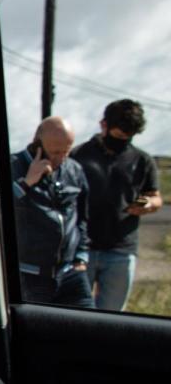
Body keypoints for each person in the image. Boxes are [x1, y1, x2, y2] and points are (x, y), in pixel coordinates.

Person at [71, 99, 164, 311]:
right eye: (119, 135)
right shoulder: (79, 155)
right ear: (103, 125)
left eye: (128, 136)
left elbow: (154, 196)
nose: (123, 140)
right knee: (76, 313)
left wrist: (146, 204)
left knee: (112, 317)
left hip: (121, 250)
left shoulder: (142, 160)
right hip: (82, 249)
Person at [11, 116, 94, 308]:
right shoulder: (12, 166)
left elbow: (82, 216)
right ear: (37, 144)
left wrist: (82, 254)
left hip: (70, 271)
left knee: (91, 322)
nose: (61, 158)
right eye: (55, 152)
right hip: (30, 275)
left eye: (66, 151)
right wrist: (26, 183)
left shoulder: (73, 169)